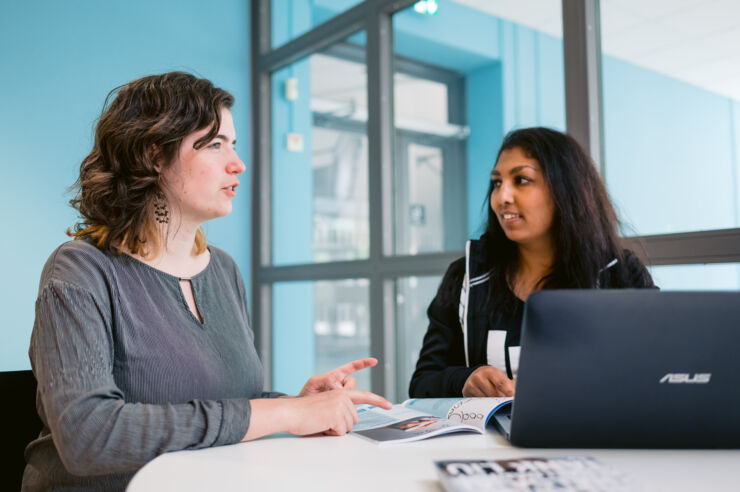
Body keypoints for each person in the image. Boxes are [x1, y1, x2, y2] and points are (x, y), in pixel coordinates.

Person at [23, 72, 391, 491]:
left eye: (233, 145)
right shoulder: (78, 271)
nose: (238, 163)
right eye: (215, 144)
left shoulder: (223, 271)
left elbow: (219, 404)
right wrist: (283, 416)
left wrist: (298, 405)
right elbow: (88, 436)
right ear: (153, 156)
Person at [409, 127, 655, 399]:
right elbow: (422, 382)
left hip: (588, 439)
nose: (502, 197)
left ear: (566, 189)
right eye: (497, 183)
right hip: (485, 442)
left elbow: (657, 371)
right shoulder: (465, 275)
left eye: (522, 180)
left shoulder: (618, 273)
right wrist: (464, 379)